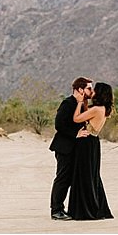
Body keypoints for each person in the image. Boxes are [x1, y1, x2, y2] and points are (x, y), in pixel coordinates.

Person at [67, 81, 114, 220]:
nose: (92, 92)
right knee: (92, 175)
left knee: (83, 175)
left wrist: (80, 102)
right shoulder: (104, 109)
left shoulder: (96, 109)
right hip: (94, 142)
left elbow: (76, 119)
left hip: (85, 143)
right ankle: (96, 207)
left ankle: (84, 210)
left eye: (94, 90)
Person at [49, 76, 93, 220]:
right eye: (88, 88)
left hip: (75, 149)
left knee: (70, 179)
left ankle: (64, 209)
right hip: (64, 148)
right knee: (63, 178)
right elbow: (59, 125)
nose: (91, 91)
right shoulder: (67, 103)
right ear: (80, 89)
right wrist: (76, 133)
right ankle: (56, 210)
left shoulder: (82, 104)